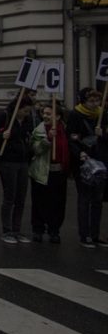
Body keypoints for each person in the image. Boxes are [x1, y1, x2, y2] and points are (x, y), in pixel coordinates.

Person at [0, 92, 35, 244]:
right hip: (7, 161)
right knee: (10, 196)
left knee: (21, 197)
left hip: (23, 161)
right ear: (18, 108)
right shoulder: (4, 116)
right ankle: (7, 230)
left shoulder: (28, 120)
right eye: (25, 110)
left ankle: (17, 229)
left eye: (28, 111)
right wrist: (2, 135)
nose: (26, 114)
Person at [67, 87, 106, 248]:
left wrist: (102, 133)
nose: (95, 104)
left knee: (98, 198)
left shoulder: (102, 114)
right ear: (84, 101)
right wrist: (79, 153)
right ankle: (85, 234)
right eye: (91, 101)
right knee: (85, 197)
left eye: (97, 101)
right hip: (83, 161)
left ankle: (95, 234)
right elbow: (71, 137)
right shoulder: (76, 114)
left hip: (100, 160)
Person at [30, 103, 69, 243]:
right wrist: (48, 140)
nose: (45, 116)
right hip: (42, 171)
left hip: (59, 172)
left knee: (57, 203)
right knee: (40, 201)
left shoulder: (64, 129)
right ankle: (38, 229)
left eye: (48, 114)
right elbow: (36, 149)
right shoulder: (39, 130)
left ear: (57, 116)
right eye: (44, 113)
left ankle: (54, 230)